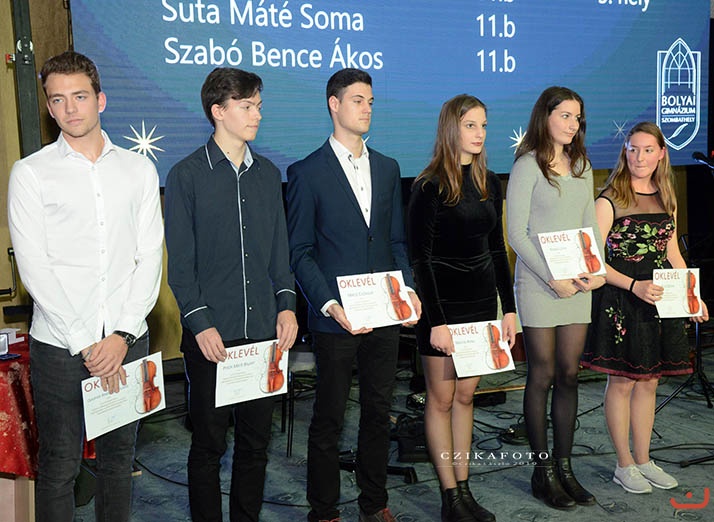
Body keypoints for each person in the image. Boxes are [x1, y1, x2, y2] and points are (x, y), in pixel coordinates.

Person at [7, 51, 163, 522]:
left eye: (79, 96)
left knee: (118, 464)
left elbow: (149, 257)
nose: (70, 108)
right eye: (58, 99)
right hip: (59, 346)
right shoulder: (30, 172)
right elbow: (35, 268)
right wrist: (86, 343)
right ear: (49, 108)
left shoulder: (138, 170)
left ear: (101, 99)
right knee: (60, 466)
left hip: (126, 341)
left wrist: (121, 335)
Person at [286, 68, 422, 522]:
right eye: (358, 100)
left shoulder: (388, 168)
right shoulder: (306, 172)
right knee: (328, 417)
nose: (367, 109)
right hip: (335, 318)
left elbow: (396, 241)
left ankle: (374, 503)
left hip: (383, 314)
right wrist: (328, 304)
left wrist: (407, 291)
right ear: (334, 104)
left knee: (378, 412)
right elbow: (300, 251)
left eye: (371, 101)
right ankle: (323, 510)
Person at [164, 67, 298, 522]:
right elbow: (180, 268)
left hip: (262, 334)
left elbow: (279, 255)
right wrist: (200, 325)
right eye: (246, 106)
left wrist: (287, 307)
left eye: (258, 105)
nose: (257, 114)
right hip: (212, 339)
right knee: (208, 446)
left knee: (256, 446)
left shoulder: (269, 175)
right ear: (218, 111)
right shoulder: (185, 176)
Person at [581, 122, 709, 494]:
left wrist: (692, 296)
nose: (639, 157)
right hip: (621, 299)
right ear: (625, 152)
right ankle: (623, 464)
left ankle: (643, 459)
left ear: (661, 154)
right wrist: (633, 285)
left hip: (659, 297)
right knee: (622, 381)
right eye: (633, 149)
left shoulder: (667, 196)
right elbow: (593, 262)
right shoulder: (608, 200)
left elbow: (672, 253)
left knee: (650, 381)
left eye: (648, 150)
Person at [406, 94, 516, 522]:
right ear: (451, 128)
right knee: (442, 398)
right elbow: (420, 259)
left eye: (484, 125)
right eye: (471, 125)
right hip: (442, 308)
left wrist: (508, 310)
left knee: (467, 396)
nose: (479, 133)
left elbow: (496, 250)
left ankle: (465, 489)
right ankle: (449, 496)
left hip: (481, 304)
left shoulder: (490, 182)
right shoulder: (429, 186)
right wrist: (435, 322)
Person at [505, 86, 605, 510]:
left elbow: (589, 227)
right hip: (538, 283)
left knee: (569, 374)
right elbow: (516, 234)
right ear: (544, 117)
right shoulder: (527, 164)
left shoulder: (582, 165)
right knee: (542, 374)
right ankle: (542, 472)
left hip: (577, 284)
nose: (572, 124)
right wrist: (551, 278)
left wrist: (596, 269)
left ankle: (565, 469)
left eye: (577, 117)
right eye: (564, 115)